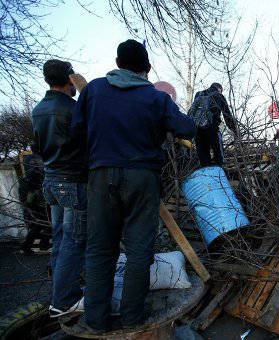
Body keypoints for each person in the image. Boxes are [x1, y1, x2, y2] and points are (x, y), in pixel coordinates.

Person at [72, 39, 196, 332]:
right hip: (142, 178)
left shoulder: (93, 90)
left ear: (117, 63)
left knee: (100, 250)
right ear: (148, 69)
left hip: (100, 176)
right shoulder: (155, 98)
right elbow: (186, 128)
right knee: (139, 250)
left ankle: (96, 320)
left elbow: (75, 132)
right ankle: (132, 318)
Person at [31, 59, 87, 318]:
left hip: (51, 180)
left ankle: (59, 292)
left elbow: (37, 149)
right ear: (69, 78)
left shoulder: (38, 109)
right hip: (72, 181)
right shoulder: (73, 109)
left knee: (61, 239)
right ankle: (64, 301)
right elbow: (89, 143)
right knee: (74, 241)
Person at [188, 82, 237, 167]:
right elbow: (227, 116)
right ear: (219, 89)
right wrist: (235, 131)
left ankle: (207, 177)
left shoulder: (198, 94)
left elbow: (194, 112)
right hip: (212, 130)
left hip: (198, 131)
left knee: (204, 162)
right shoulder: (219, 96)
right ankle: (219, 176)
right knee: (219, 160)